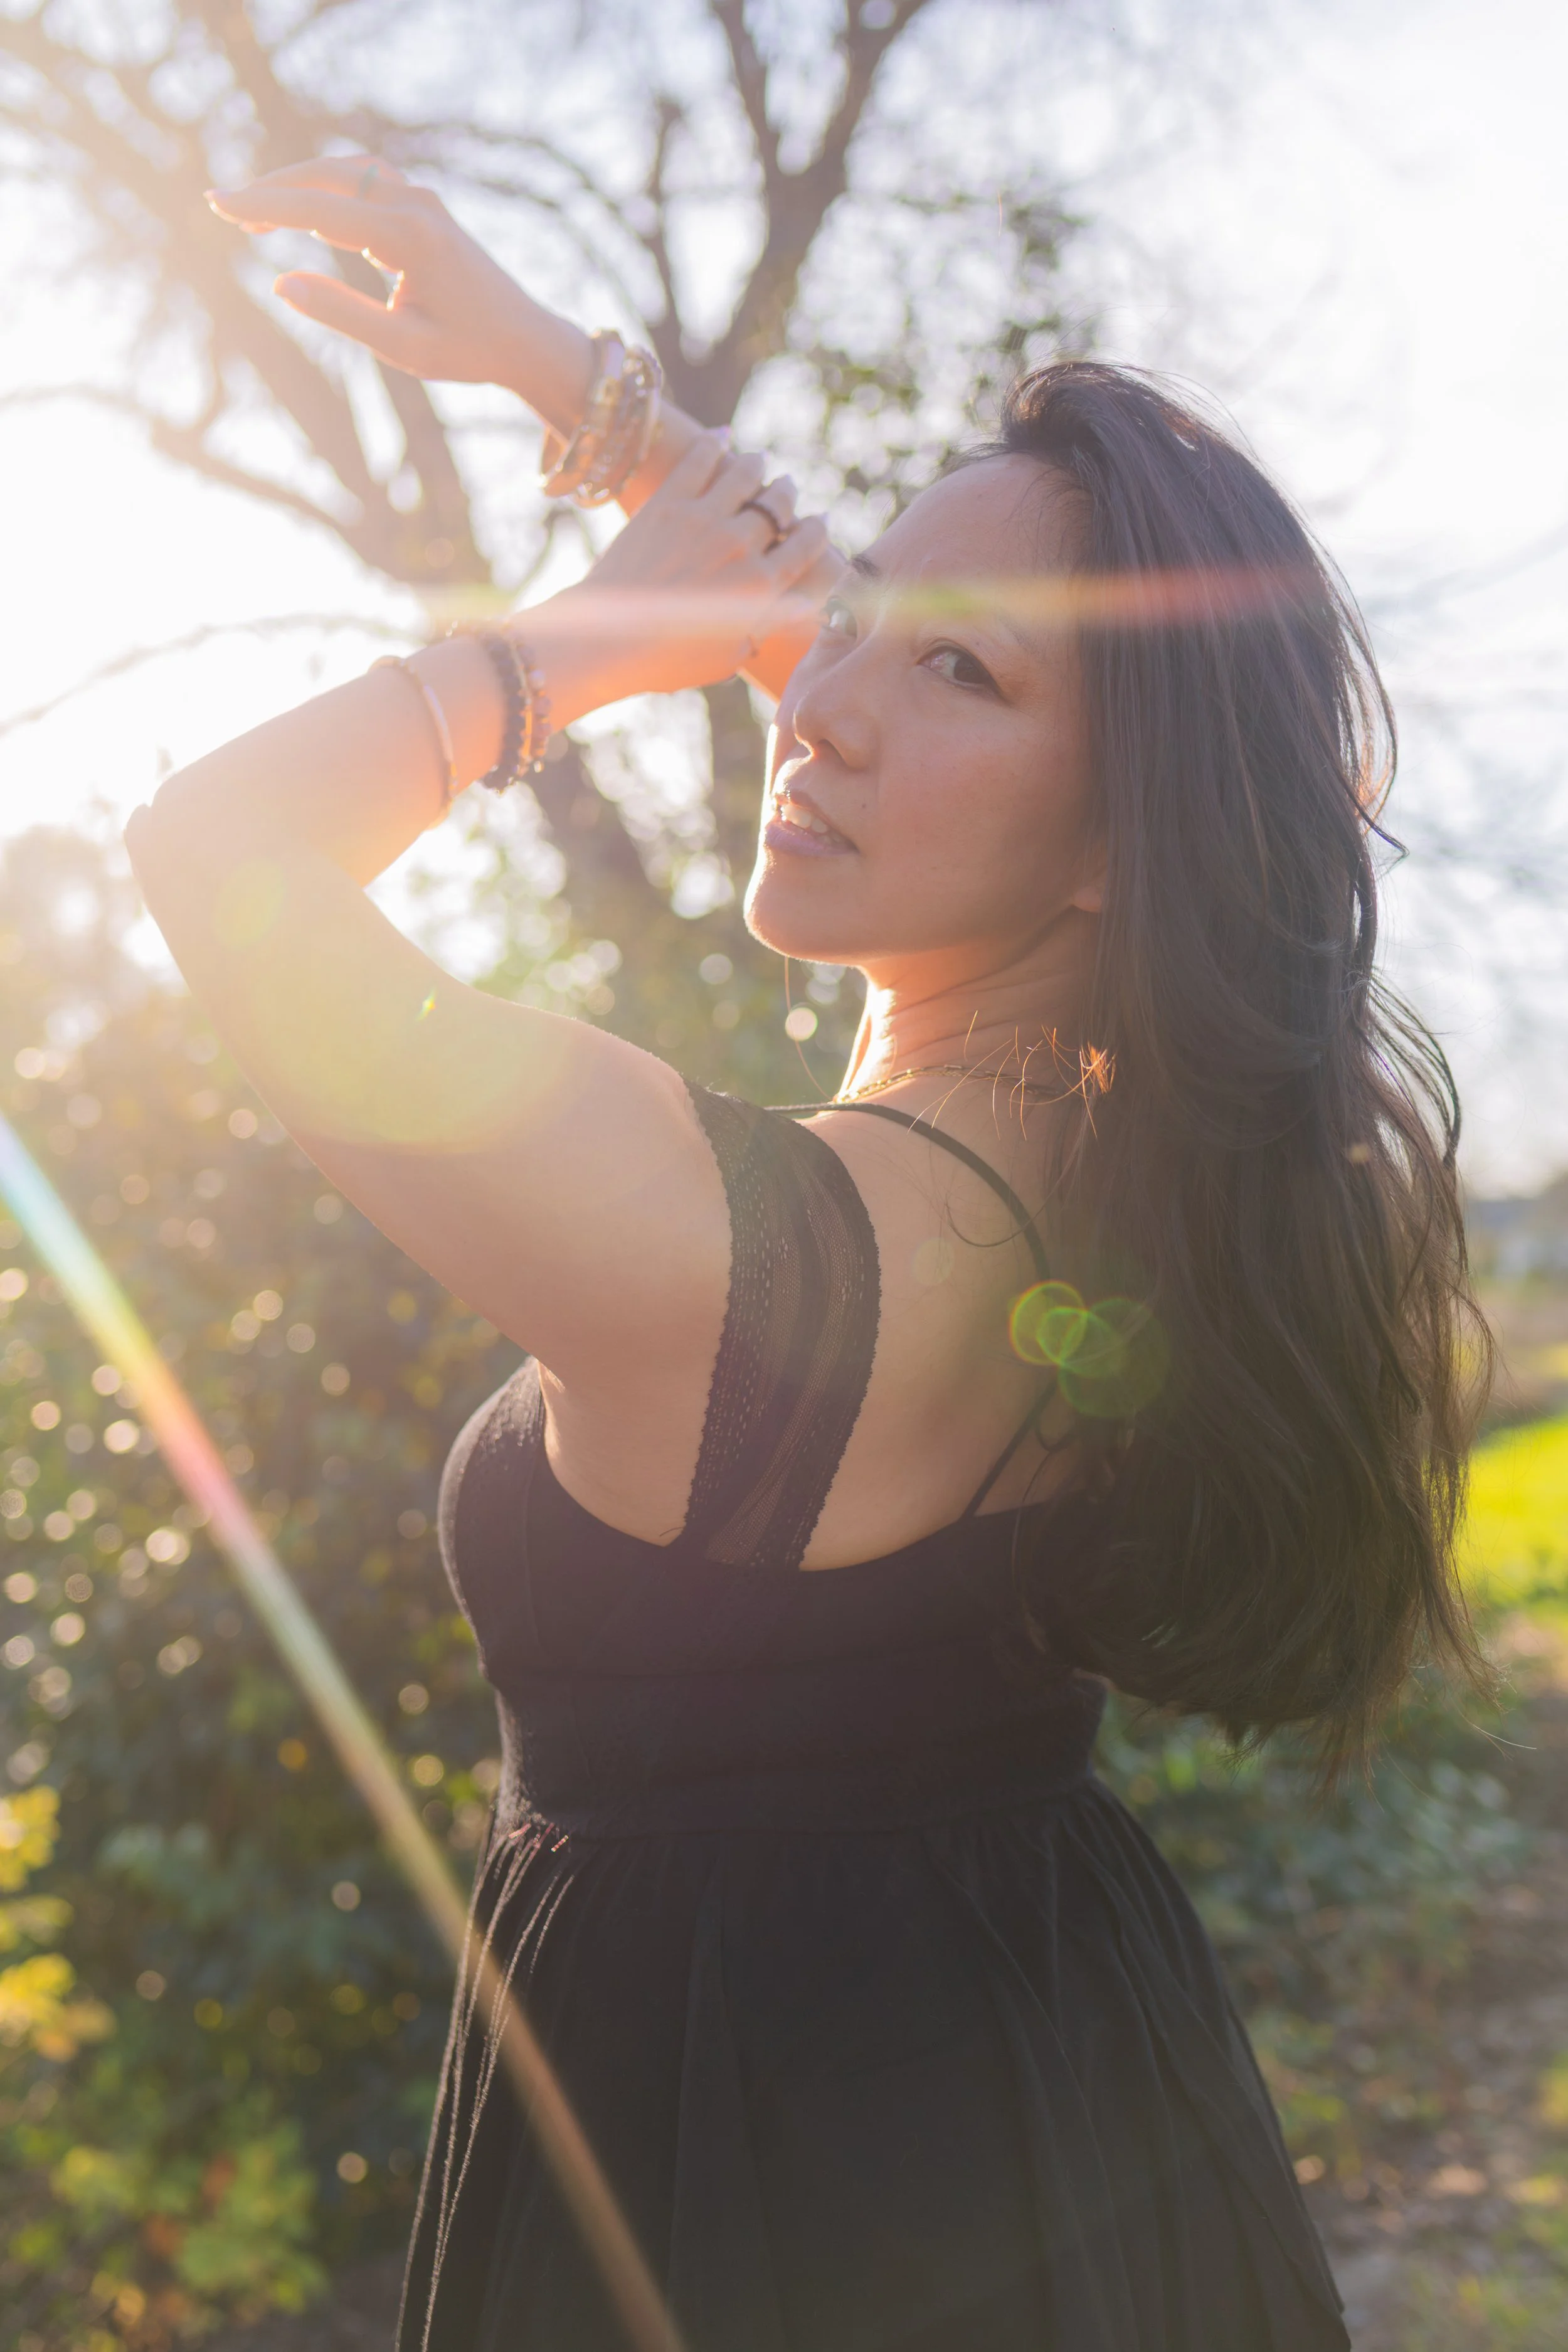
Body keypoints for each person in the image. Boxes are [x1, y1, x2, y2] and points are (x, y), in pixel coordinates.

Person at [125, 155, 1487, 2352]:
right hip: (1058, 2079)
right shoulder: (1129, 1165)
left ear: (1107, 845)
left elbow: (217, 853)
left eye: (948, 673)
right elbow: (885, 633)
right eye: (846, 621)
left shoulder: (723, 1247)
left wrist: (571, 641)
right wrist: (571, 380)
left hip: (731, 2184)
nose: (822, 697)